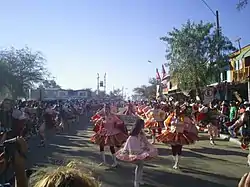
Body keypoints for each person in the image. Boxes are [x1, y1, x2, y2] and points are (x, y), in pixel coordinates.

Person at [116, 118, 158, 187]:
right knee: (139, 166)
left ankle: (139, 180)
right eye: (142, 125)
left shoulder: (141, 132)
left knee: (140, 166)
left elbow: (145, 141)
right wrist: (139, 150)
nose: (143, 126)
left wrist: (148, 146)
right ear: (139, 125)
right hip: (136, 153)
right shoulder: (133, 135)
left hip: (140, 151)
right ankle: (136, 182)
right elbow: (130, 145)